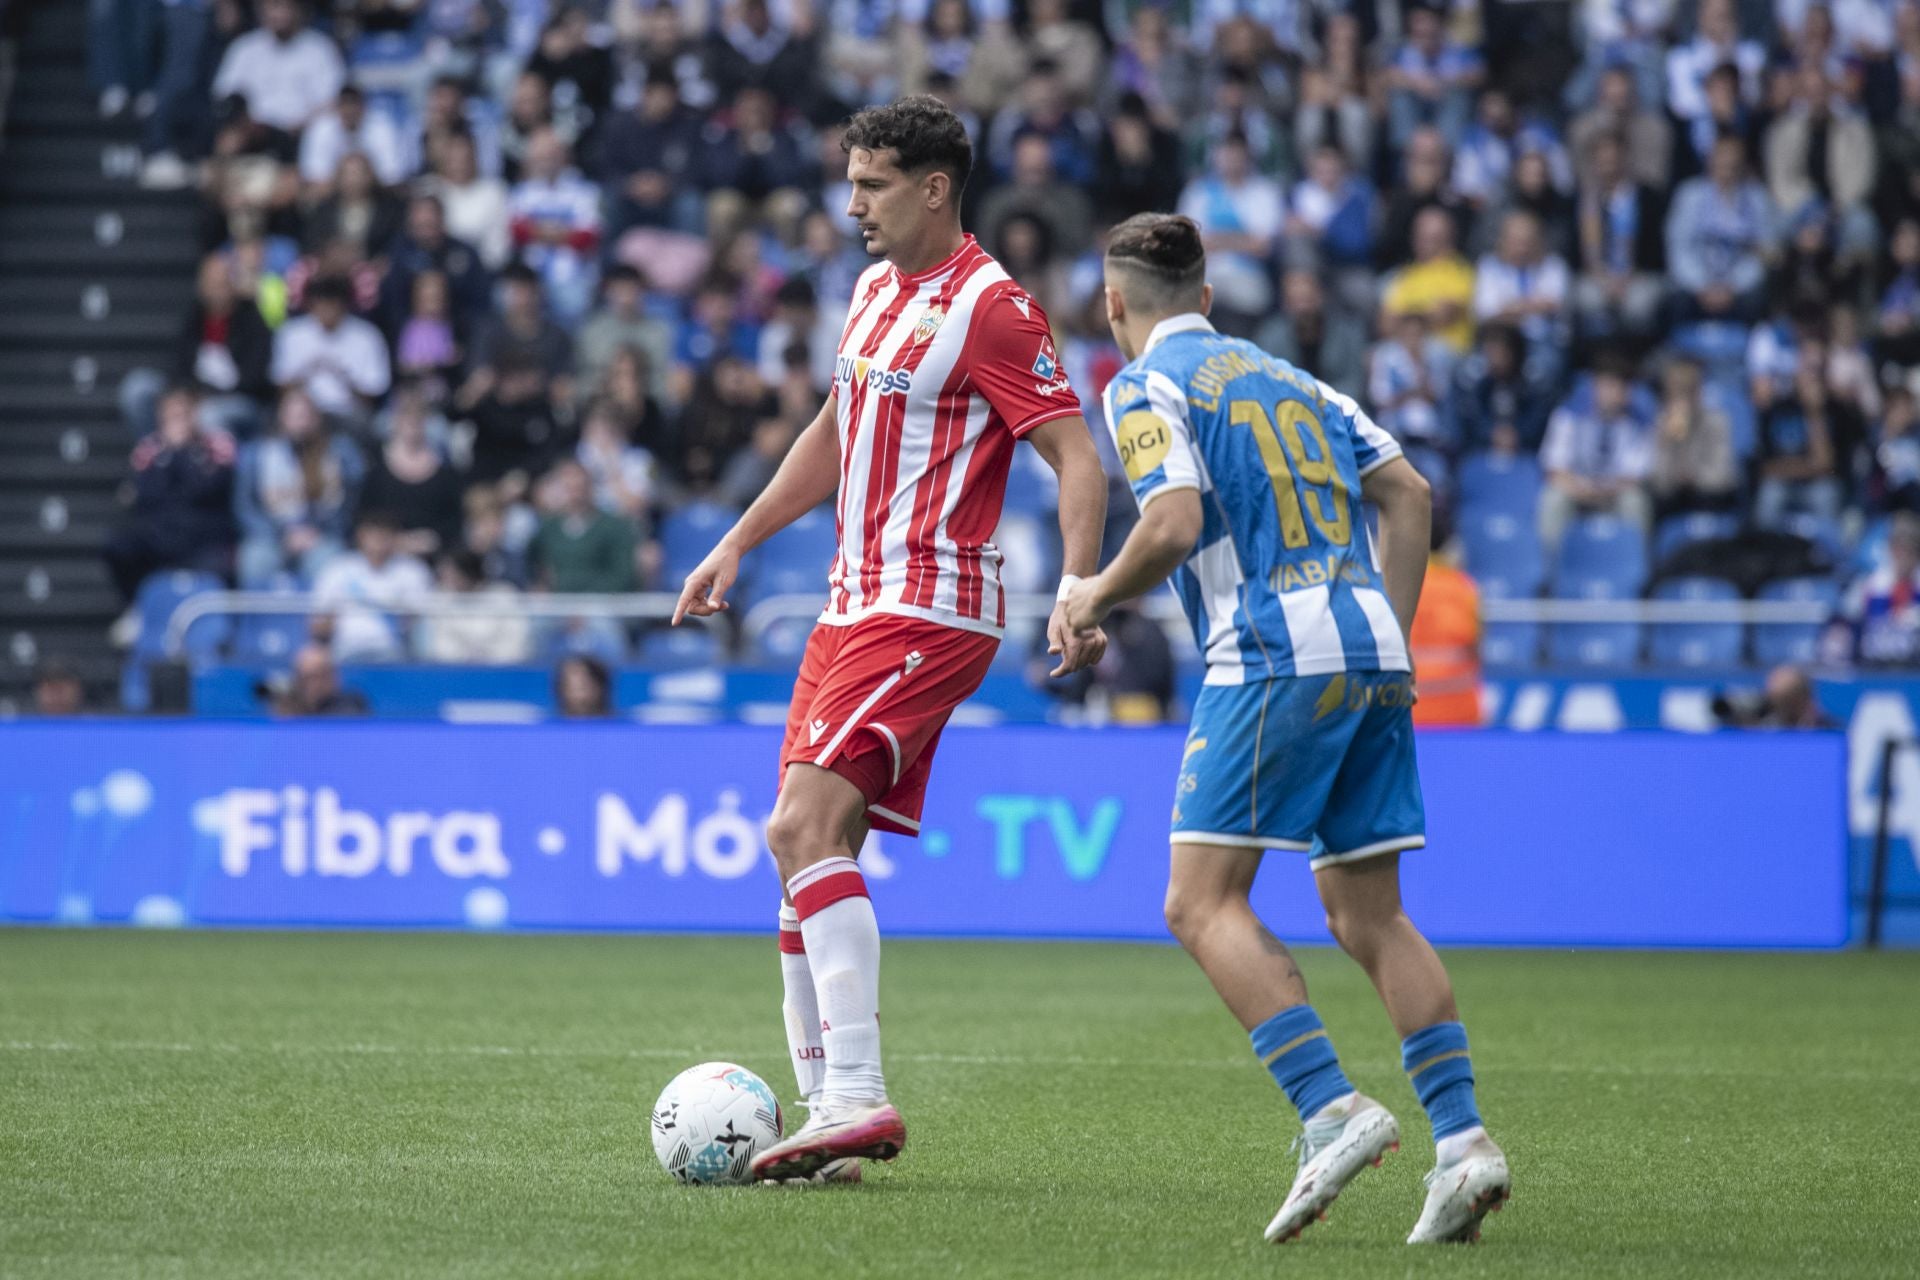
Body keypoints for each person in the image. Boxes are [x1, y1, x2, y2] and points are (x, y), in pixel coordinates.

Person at [671, 96, 1110, 1184]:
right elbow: (837, 429)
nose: (852, 203)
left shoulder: (993, 307)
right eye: (850, 180)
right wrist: (738, 538)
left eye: (871, 185)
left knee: (801, 820)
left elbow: (1078, 454)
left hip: (927, 602)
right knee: (798, 859)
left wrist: (1080, 583)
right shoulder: (873, 292)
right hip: (848, 599)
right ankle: (828, 1121)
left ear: (934, 188)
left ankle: (857, 1096)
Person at [1062, 212, 1508, 1245]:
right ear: (1207, 299)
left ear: (1115, 303)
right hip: (1370, 645)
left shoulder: (1140, 386)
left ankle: (1331, 1106)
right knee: (1368, 912)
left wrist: (1089, 595)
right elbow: (1408, 491)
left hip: (1270, 648)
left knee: (1197, 899)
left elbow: (1170, 523)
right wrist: (1388, 638)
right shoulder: (1292, 376)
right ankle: (1465, 1142)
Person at [554, 653, 613, 717]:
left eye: (582, 687)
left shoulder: (618, 725)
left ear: (599, 687)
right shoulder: (548, 724)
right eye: (570, 688)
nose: (576, 696)